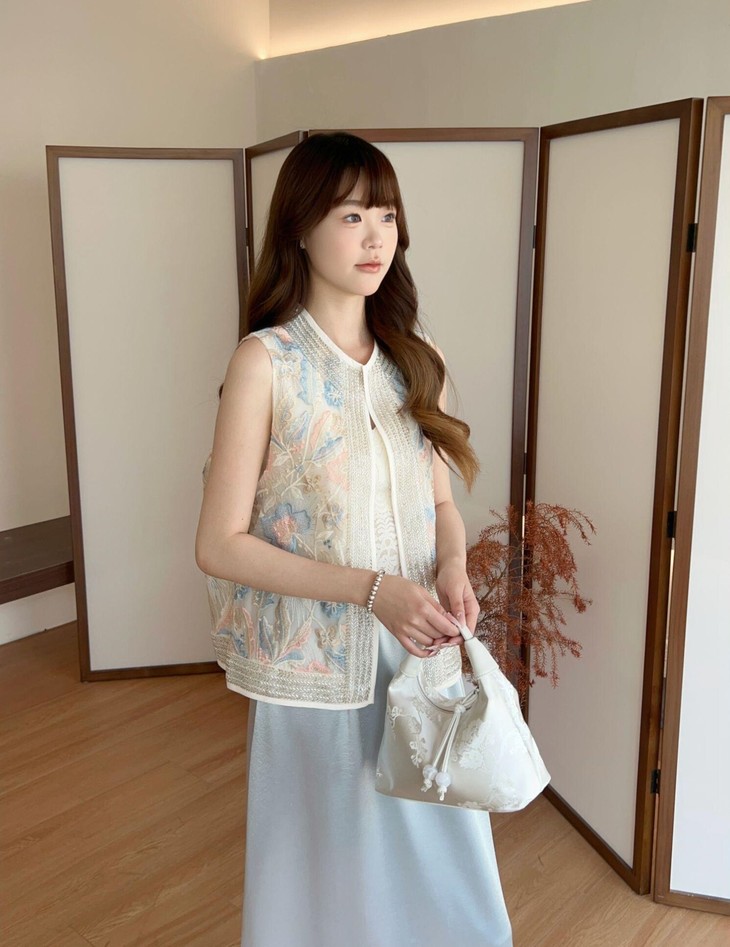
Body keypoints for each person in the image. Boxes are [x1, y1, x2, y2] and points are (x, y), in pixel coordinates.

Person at [195, 132, 513, 947]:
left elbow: (439, 502)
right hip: (310, 669)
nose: (376, 237)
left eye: (387, 215)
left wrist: (452, 565)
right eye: (350, 215)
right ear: (300, 229)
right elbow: (220, 543)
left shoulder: (419, 359)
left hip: (419, 655)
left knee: (447, 868)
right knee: (323, 876)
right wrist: (374, 592)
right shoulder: (266, 363)